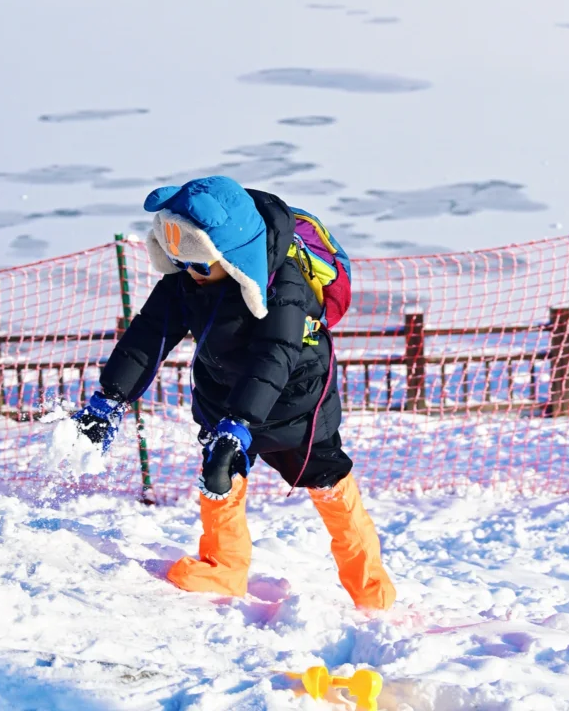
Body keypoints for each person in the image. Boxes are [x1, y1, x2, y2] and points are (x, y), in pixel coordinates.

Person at [70, 175, 395, 611]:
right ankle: (223, 568)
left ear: (233, 254)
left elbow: (274, 356)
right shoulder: (188, 279)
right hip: (223, 397)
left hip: (294, 405)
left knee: (329, 483)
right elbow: (148, 336)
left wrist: (239, 425)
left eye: (201, 264)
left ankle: (372, 589)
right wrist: (110, 399)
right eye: (180, 260)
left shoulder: (283, 286)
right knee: (219, 476)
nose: (191, 272)